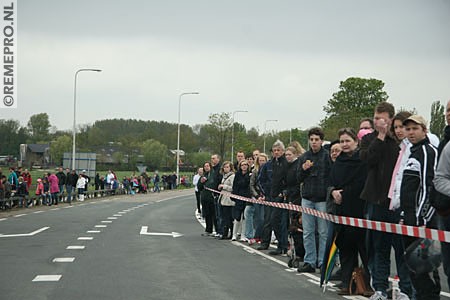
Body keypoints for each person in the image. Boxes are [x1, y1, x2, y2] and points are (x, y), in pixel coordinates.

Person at [360, 102, 398, 300]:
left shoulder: (398, 140)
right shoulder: (368, 139)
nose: (378, 122)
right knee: (377, 246)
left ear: (390, 119)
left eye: (382, 119)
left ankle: (405, 289)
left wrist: (389, 135)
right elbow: (368, 159)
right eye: (375, 118)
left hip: (396, 201)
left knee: (399, 247)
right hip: (375, 199)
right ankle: (380, 288)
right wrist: (381, 137)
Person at [400, 115, 440, 300]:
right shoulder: (412, 152)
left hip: (422, 221)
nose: (410, 132)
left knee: (425, 269)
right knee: (413, 268)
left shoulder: (427, 151)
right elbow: (407, 188)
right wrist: (403, 214)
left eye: (415, 129)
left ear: (424, 130)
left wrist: (422, 219)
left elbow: (428, 186)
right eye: (407, 129)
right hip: (409, 220)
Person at [328, 128, 370, 295]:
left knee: (364, 250)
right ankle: (347, 283)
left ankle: (368, 284)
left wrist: (344, 193)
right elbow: (331, 181)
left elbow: (363, 183)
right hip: (342, 210)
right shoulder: (338, 162)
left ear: (356, 141)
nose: (345, 144)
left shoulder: (362, 160)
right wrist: (333, 192)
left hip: (359, 209)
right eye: (342, 141)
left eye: (348, 141)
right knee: (346, 248)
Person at [298, 128, 331, 272]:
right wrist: (303, 169)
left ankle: (323, 261)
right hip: (307, 198)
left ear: (321, 141)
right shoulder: (304, 156)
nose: (314, 142)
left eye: (316, 139)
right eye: (311, 140)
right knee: (308, 231)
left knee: (323, 232)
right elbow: (297, 178)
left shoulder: (327, 156)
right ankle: (309, 261)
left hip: (322, 199)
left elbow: (331, 176)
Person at [434, 100, 450, 290]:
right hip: (446, 211)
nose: (448, 113)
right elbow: (439, 178)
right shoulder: (445, 143)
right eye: (447, 110)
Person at [268, 140, 289, 256]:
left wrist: (283, 192)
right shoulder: (273, 163)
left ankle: (283, 246)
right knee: (274, 221)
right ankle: (280, 245)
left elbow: (288, 179)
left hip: (282, 196)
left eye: (278, 150)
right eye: (274, 150)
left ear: (283, 151)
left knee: (281, 221)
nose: (276, 152)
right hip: (274, 194)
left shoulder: (285, 162)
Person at [284, 145, 305, 260]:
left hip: (298, 199)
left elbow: (297, 182)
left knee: (297, 225)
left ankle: (300, 251)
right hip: (290, 197)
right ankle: (294, 248)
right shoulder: (288, 166)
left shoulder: (297, 165)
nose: (287, 157)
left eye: (289, 154)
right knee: (292, 225)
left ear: (295, 154)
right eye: (286, 155)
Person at [250, 153, 269, 244]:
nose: (262, 162)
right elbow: (251, 185)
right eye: (260, 160)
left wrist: (266, 195)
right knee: (259, 218)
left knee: (266, 218)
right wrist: (257, 196)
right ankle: (257, 236)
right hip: (257, 197)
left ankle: (263, 236)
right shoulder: (255, 171)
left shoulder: (268, 170)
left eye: (263, 160)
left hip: (266, 196)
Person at [231, 159, 251, 241]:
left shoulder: (250, 175)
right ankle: (234, 234)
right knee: (237, 217)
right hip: (238, 197)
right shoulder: (237, 175)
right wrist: (234, 196)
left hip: (247, 197)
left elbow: (247, 184)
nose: (244, 166)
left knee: (245, 217)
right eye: (242, 165)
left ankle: (243, 235)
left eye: (246, 164)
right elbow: (236, 185)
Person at [197, 162, 217, 236]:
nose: (206, 167)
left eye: (208, 166)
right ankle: (208, 230)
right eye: (205, 166)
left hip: (212, 197)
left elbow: (214, 184)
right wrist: (201, 182)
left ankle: (217, 230)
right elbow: (199, 187)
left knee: (214, 215)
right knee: (207, 214)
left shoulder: (213, 175)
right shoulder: (203, 176)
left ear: (210, 167)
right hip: (204, 198)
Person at [217, 161, 235, 239]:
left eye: (227, 167)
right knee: (224, 217)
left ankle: (231, 233)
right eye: (224, 167)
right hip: (223, 199)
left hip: (229, 200)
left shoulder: (232, 176)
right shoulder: (224, 176)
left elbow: (233, 188)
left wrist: (224, 186)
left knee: (229, 218)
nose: (226, 168)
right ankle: (224, 233)